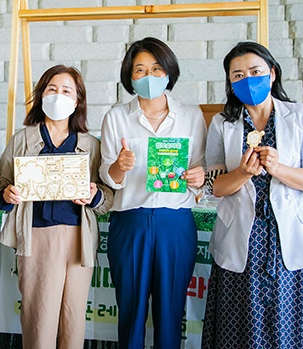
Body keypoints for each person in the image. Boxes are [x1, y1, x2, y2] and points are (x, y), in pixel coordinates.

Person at [201, 41, 303, 348]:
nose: (248, 80)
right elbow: (213, 186)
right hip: (243, 240)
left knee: (291, 326)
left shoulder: (300, 116)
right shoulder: (223, 123)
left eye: (255, 71)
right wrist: (243, 173)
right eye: (238, 75)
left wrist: (278, 168)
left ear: (272, 74)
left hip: (289, 242)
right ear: (230, 83)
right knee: (242, 328)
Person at [0, 65, 113, 349]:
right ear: (41, 95)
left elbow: (107, 198)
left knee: (73, 320)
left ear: (78, 100)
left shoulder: (90, 145)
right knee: (40, 319)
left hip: (77, 240)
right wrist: (7, 194)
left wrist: (94, 196)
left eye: (66, 91)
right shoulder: (23, 139)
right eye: (52, 89)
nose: (58, 96)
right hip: (36, 237)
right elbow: (0, 184)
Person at [98, 37, 206, 349]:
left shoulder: (191, 116)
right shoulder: (116, 117)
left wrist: (198, 176)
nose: (149, 77)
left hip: (176, 223)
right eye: (140, 70)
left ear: (169, 72)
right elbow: (109, 175)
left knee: (171, 311)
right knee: (130, 310)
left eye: (157, 69)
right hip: (130, 223)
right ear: (129, 77)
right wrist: (120, 165)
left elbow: (200, 170)